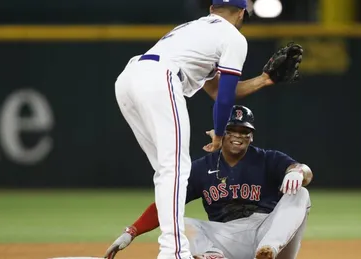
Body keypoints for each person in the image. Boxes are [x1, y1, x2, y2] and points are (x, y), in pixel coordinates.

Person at [110, 0, 303, 257]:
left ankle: (171, 249)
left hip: (128, 79)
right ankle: (174, 252)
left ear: (212, 9)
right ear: (242, 12)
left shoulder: (193, 29)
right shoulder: (232, 36)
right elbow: (224, 98)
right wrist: (219, 134)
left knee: (167, 172)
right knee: (176, 169)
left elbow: (219, 91)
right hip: (161, 79)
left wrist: (265, 80)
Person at [105, 105, 313, 259]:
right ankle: (212, 256)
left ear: (251, 137)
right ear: (219, 134)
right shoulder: (201, 168)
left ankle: (268, 250)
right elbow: (167, 205)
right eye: (231, 130)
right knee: (179, 222)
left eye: (244, 132)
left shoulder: (268, 158)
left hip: (270, 229)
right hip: (228, 237)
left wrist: (298, 171)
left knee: (301, 193)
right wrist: (131, 231)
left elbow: (304, 171)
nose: (237, 136)